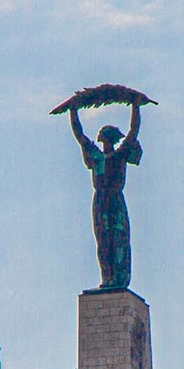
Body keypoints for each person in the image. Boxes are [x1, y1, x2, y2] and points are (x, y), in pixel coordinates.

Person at [70, 101, 143, 289]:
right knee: (103, 239)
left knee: (118, 239)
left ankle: (118, 278)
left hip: (115, 198)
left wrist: (136, 105)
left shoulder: (119, 155)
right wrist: (73, 110)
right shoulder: (96, 157)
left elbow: (133, 130)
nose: (105, 142)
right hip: (101, 199)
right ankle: (107, 277)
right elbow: (79, 135)